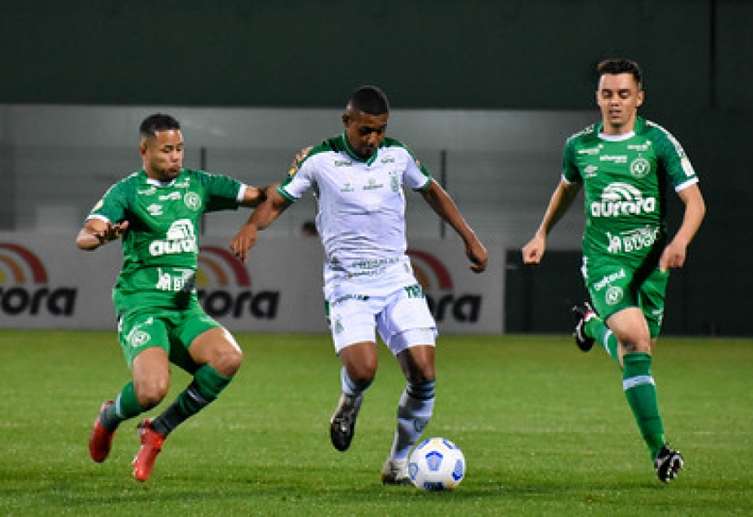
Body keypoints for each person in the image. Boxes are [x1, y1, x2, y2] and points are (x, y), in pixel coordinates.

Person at [230, 85, 488, 484]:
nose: (373, 139)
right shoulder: (319, 160)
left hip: (396, 276)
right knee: (363, 369)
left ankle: (399, 463)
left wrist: (469, 237)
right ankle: (349, 402)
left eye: (380, 130)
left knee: (423, 371)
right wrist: (251, 225)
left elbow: (432, 191)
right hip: (348, 281)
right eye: (365, 130)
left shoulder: (397, 155)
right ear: (347, 122)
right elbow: (278, 199)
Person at [521, 59, 706, 483]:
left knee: (636, 354)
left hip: (652, 263)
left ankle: (589, 326)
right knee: (635, 337)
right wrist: (542, 233)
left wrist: (680, 242)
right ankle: (660, 451)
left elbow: (695, 203)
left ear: (639, 97)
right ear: (597, 98)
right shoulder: (580, 147)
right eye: (607, 94)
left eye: (624, 94)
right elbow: (566, 190)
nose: (615, 102)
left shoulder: (657, 141)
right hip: (605, 260)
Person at [76, 113, 267, 482]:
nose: (176, 157)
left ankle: (158, 431)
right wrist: (102, 235)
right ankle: (109, 417)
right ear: (144, 150)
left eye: (180, 149)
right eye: (167, 150)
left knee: (228, 358)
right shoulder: (127, 191)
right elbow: (85, 234)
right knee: (151, 391)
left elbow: (261, 196)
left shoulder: (199, 184)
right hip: (141, 306)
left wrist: (300, 176)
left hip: (183, 307)